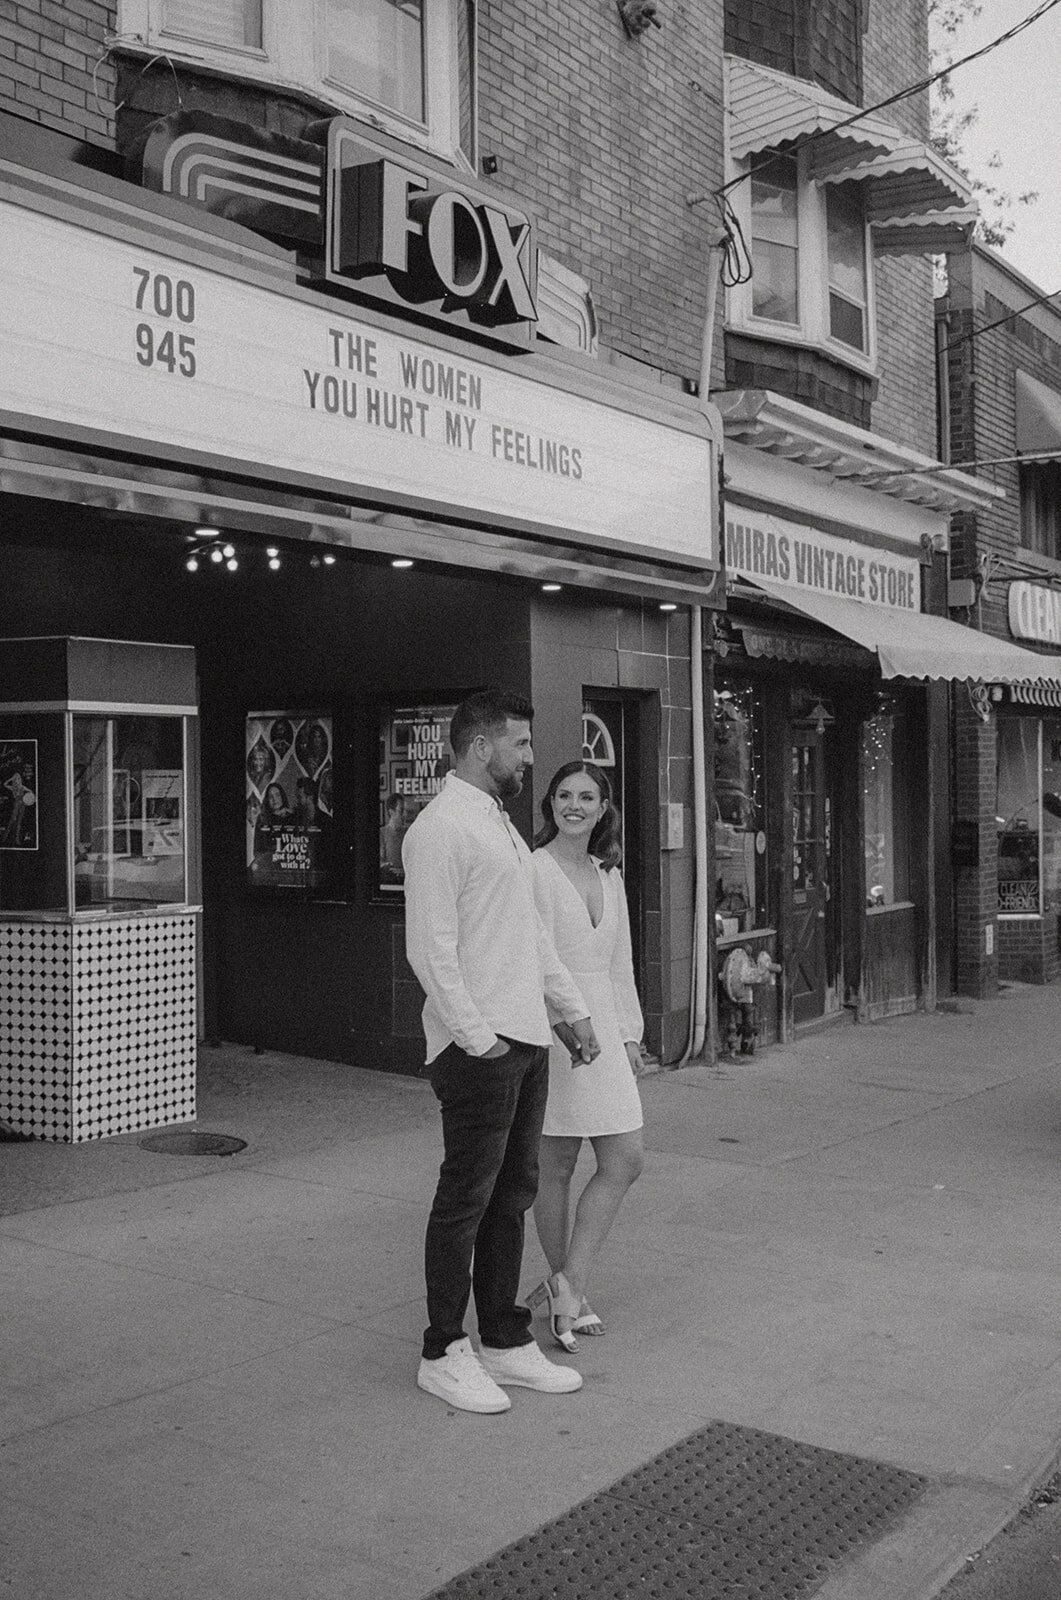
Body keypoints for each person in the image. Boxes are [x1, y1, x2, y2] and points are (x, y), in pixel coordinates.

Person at [402, 688, 601, 1415]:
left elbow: (530, 934)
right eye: (519, 744)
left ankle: (502, 1340)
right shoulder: (439, 828)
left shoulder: (499, 825)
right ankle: (442, 1351)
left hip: (525, 1038)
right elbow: (431, 948)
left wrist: (570, 1012)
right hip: (480, 1048)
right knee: (466, 1200)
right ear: (480, 746)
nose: (528, 757)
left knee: (510, 1197)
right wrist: (477, 1039)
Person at [528, 761, 645, 1352]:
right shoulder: (535, 870)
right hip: (555, 1026)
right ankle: (566, 1287)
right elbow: (535, 959)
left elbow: (619, 962)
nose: (575, 805)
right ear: (550, 804)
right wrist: (565, 1023)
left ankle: (569, 1282)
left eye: (587, 797)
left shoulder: (609, 872)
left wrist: (629, 1035)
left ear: (603, 809)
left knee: (625, 1157)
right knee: (555, 1164)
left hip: (604, 1024)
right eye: (565, 795)